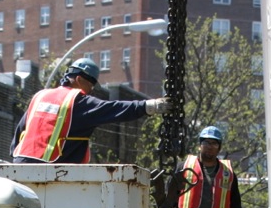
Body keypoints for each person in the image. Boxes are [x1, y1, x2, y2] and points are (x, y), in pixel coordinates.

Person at [10, 58, 166, 164]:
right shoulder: (78, 101)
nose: (91, 91)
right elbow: (114, 109)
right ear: (79, 80)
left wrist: (15, 158)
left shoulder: (40, 96)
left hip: (20, 163)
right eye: (91, 86)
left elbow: (20, 131)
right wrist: (149, 106)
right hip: (51, 170)